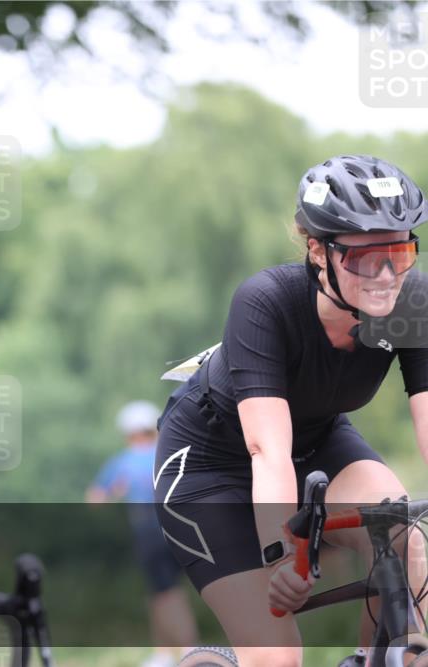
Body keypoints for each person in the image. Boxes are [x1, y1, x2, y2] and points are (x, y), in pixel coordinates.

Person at [153, 155, 428, 667]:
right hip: (211, 466)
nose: (387, 274)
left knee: (404, 535)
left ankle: (378, 658)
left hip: (318, 442)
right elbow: (266, 449)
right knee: (277, 659)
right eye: (366, 258)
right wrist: (283, 555)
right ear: (317, 251)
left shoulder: (413, 303)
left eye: (399, 251)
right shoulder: (266, 302)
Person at [87, 401, 198, 667]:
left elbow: (95, 498)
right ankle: (163, 654)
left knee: (164, 592)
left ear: (128, 433)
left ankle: (190, 652)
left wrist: (115, 491)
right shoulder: (168, 451)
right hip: (184, 525)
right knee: (163, 590)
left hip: (148, 528)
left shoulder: (124, 461)